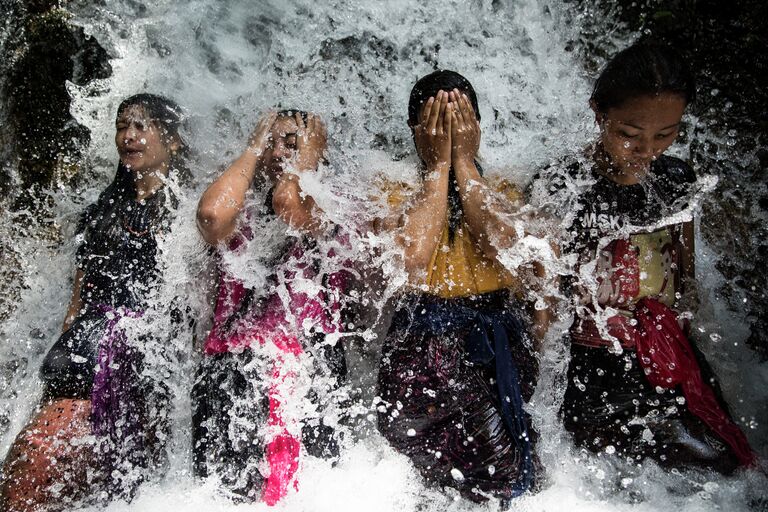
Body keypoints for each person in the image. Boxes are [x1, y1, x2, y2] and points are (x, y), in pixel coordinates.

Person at [528, 41, 756, 473]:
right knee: (622, 471)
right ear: (599, 113)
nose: (648, 149)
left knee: (725, 461)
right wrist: (538, 393)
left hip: (666, 353)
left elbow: (684, 278)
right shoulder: (563, 185)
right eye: (629, 135)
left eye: (666, 134)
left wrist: (689, 358)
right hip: (593, 362)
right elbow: (545, 302)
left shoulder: (677, 180)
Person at [0, 94, 189, 511]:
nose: (129, 136)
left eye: (142, 126)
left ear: (173, 140)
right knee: (23, 492)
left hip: (138, 374)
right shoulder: (99, 212)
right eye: (123, 126)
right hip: (80, 365)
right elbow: (75, 306)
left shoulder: (184, 214)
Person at [375, 70, 550, 504]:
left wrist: (465, 166)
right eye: (438, 125)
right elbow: (412, 258)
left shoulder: (504, 187)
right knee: (487, 474)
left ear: (476, 129)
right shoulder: (392, 188)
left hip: (497, 342)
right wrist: (437, 169)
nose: (451, 134)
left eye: (461, 124)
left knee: (517, 471)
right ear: (417, 133)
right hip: (425, 348)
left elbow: (503, 245)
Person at [194, 109, 351, 505]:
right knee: (225, 494)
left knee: (297, 497)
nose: (280, 151)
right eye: (273, 142)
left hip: (306, 366)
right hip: (233, 365)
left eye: (293, 143)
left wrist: (305, 166)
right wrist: (252, 148)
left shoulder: (332, 206)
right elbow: (211, 215)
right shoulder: (241, 210)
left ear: (314, 152)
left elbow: (287, 204)